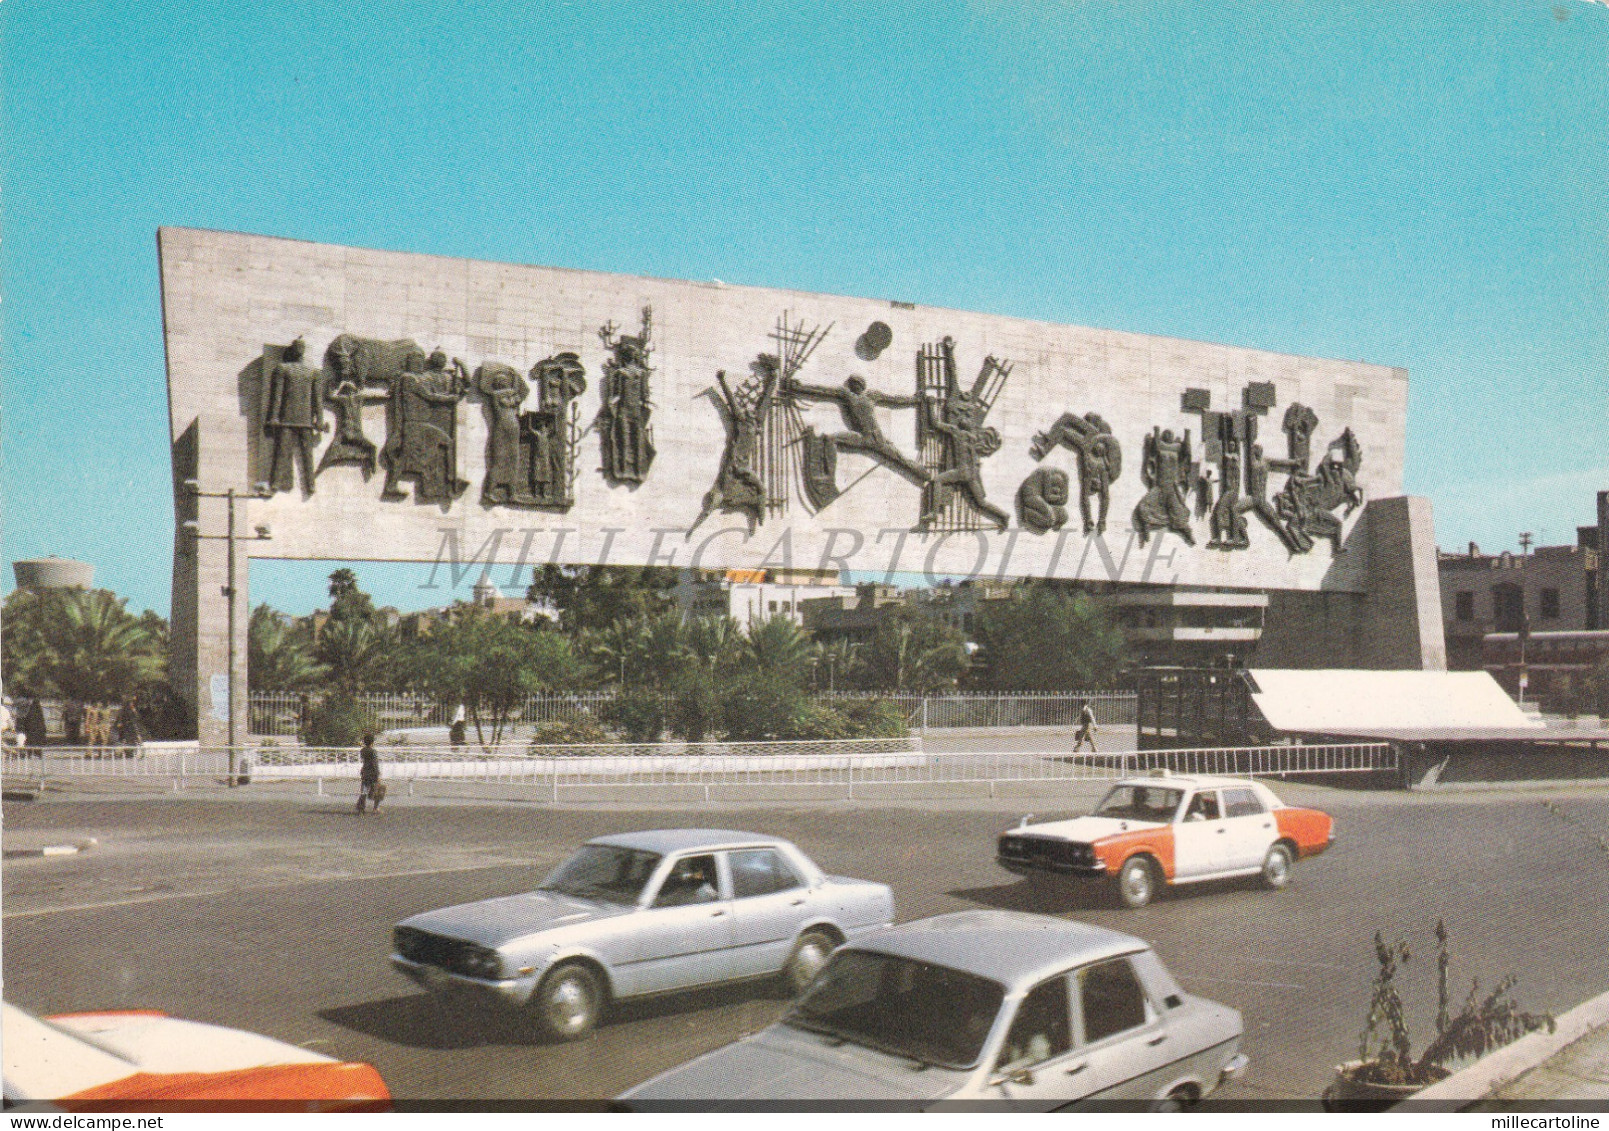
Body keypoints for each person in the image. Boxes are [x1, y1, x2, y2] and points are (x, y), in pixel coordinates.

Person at [356, 734, 383, 813]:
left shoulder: (363, 750)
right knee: (377, 790)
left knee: (364, 790)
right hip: (372, 773)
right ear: (372, 742)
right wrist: (377, 774)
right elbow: (374, 763)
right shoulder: (373, 751)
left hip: (365, 771)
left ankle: (361, 807)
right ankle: (376, 808)